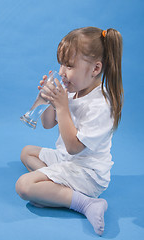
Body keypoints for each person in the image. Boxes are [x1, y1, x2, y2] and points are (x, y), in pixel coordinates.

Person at [15, 27, 123, 236]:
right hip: (67, 161)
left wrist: (62, 106)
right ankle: (55, 192)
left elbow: (74, 147)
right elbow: (47, 124)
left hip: (87, 173)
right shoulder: (73, 93)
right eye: (61, 64)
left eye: (69, 65)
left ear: (95, 68)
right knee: (27, 152)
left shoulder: (101, 105)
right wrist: (50, 102)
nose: (62, 72)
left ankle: (86, 203)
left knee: (24, 187)